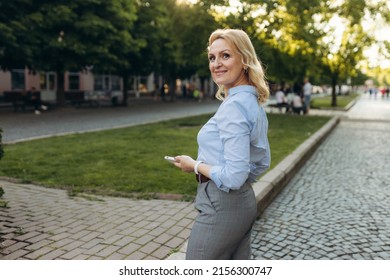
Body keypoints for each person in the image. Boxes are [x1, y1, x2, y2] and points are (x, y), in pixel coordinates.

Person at [171, 29, 271, 260]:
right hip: (242, 202)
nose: (216, 64)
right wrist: (240, 182)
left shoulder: (235, 106)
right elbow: (262, 162)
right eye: (212, 57)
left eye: (225, 55)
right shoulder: (250, 101)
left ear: (244, 59)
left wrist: (195, 166)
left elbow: (234, 176)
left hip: (221, 205)